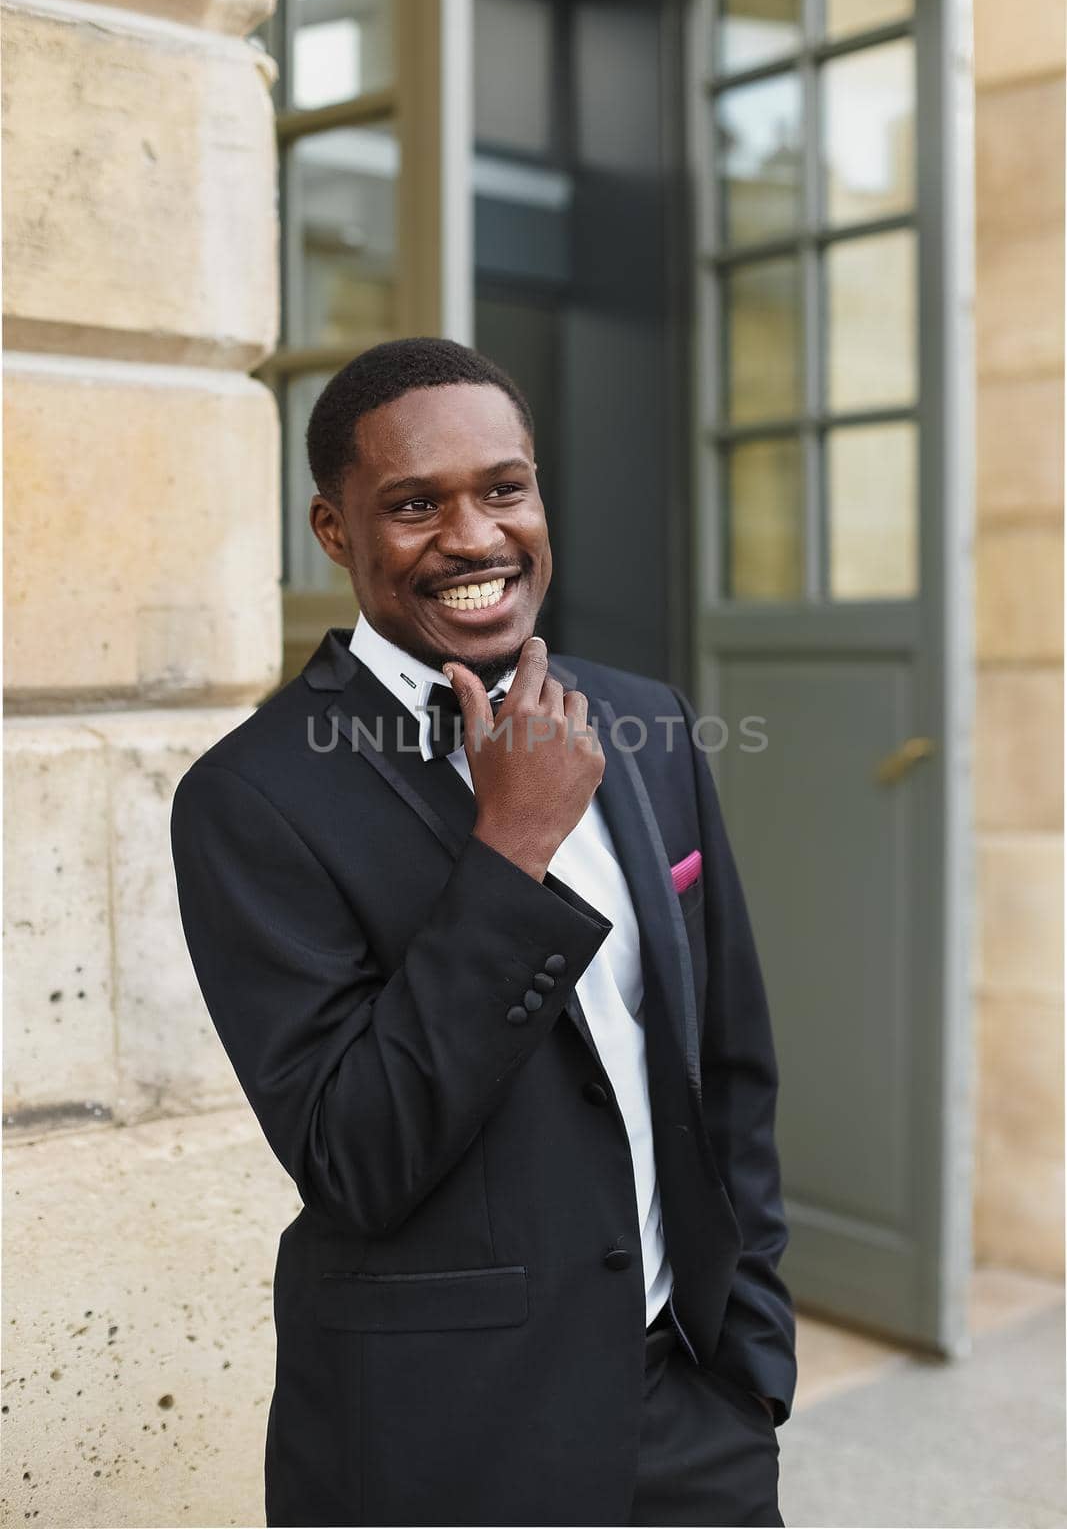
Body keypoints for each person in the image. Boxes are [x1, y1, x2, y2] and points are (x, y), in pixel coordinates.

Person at [170, 337, 796, 1528]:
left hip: (691, 1419)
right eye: (413, 504)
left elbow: (729, 1068)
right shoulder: (247, 800)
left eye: (503, 489)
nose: (473, 537)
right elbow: (355, 1154)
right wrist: (509, 851)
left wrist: (749, 1367)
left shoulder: (643, 719)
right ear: (334, 530)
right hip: (434, 1450)